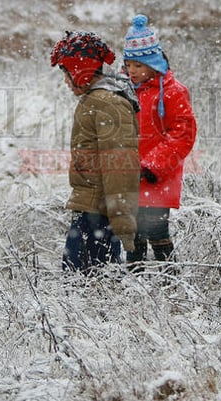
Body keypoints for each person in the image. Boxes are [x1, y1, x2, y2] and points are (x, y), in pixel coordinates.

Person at [50, 31, 140, 273]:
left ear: (80, 71)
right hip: (89, 211)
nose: (66, 82)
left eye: (67, 74)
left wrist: (122, 221)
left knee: (88, 287)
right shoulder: (94, 101)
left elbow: (120, 166)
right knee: (78, 286)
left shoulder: (107, 104)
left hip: (99, 215)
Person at [123, 15, 197, 264]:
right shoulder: (126, 90)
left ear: (154, 64)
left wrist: (153, 165)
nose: (131, 71)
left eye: (138, 65)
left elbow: (182, 134)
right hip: (129, 172)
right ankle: (136, 279)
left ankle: (170, 278)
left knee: (155, 229)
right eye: (128, 64)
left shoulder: (173, 92)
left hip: (158, 174)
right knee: (132, 230)